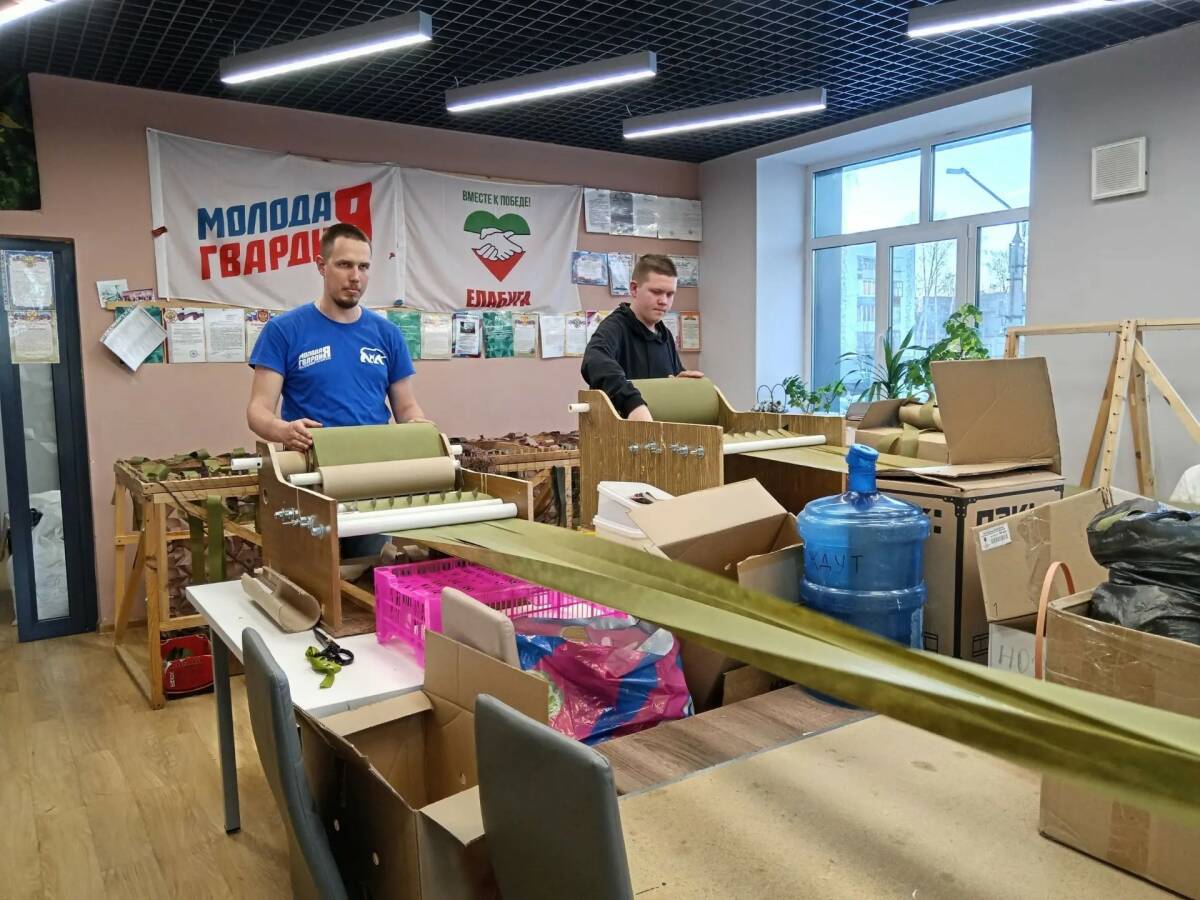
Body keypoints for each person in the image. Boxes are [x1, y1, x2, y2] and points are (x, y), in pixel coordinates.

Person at [246, 221, 427, 558]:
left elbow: (407, 408)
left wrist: (420, 428)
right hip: (309, 477)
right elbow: (257, 411)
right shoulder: (284, 330)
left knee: (370, 574)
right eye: (344, 265)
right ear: (321, 266)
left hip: (372, 478)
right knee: (311, 575)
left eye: (363, 267)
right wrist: (284, 431)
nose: (355, 276)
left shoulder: (387, 334)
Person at [581, 253, 704, 421]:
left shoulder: (665, 335)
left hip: (660, 431)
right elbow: (594, 361)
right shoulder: (614, 328)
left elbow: (670, 378)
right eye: (656, 292)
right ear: (634, 289)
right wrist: (632, 403)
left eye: (670, 294)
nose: (664, 301)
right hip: (621, 432)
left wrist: (678, 384)